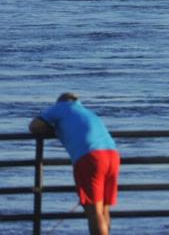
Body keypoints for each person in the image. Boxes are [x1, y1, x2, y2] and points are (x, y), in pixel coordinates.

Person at [28, 93, 120, 235]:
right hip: (112, 154)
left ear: (60, 101)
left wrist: (53, 131)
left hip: (90, 157)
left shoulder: (60, 108)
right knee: (104, 210)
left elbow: (34, 125)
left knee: (94, 212)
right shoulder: (88, 112)